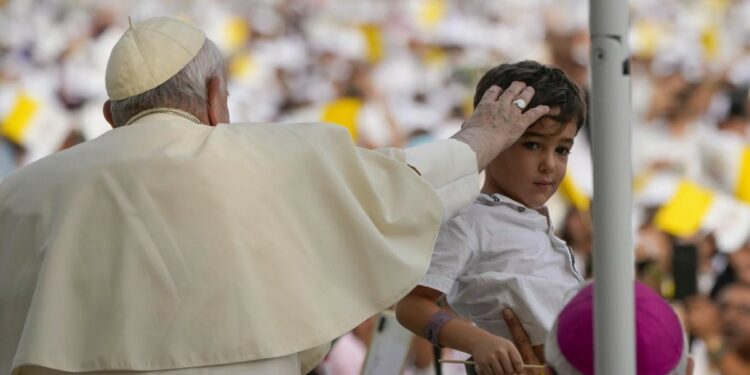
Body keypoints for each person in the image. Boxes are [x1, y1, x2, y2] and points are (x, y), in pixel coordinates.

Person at [0, 17, 551, 375]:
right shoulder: (273, 155)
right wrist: (480, 140)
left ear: (109, 117)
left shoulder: (20, 194)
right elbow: (402, 185)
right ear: (217, 98)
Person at [396, 60, 587, 375]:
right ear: (494, 137)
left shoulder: (538, 223)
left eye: (562, 150)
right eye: (532, 144)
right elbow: (412, 305)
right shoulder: (467, 218)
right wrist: (478, 341)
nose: (549, 164)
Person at [686, 281, 750, 373]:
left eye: (744, 311)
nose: (730, 317)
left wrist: (712, 339)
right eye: (724, 307)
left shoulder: (712, 341)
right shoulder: (697, 351)